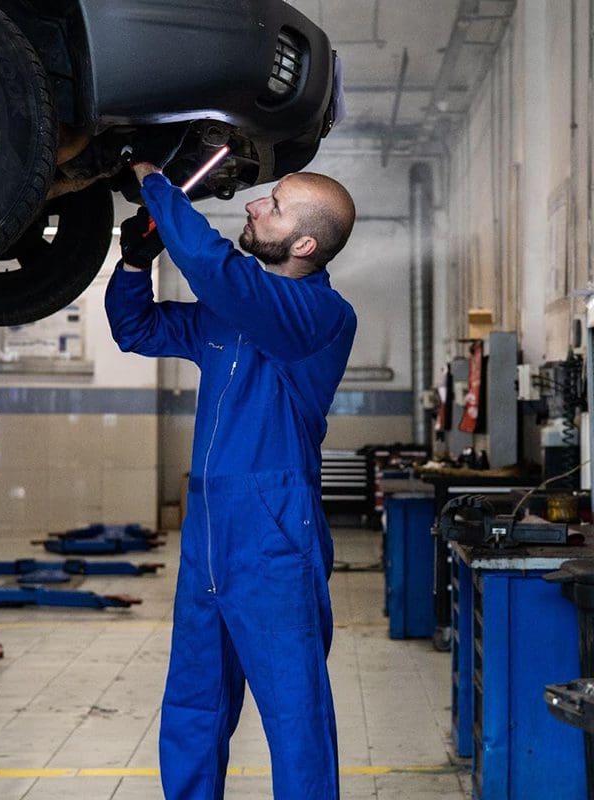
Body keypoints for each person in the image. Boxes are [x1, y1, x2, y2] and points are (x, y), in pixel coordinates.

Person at [105, 157, 357, 800]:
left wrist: (156, 184)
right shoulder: (233, 312)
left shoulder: (319, 315)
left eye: (272, 205)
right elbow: (138, 330)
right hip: (209, 529)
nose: (253, 206)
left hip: (273, 533)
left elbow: (220, 273)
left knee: (294, 714)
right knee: (194, 702)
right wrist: (134, 262)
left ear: (304, 244)